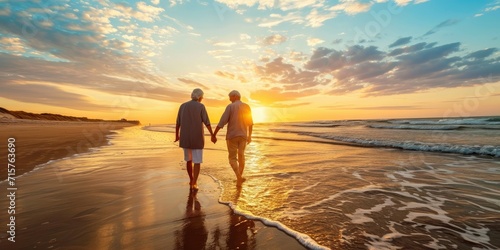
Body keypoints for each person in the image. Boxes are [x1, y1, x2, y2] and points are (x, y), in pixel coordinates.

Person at [175, 88, 216, 190]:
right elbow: (207, 122)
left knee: (189, 160)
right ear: (200, 97)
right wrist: (212, 135)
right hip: (197, 138)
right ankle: (195, 182)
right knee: (197, 161)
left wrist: (177, 135)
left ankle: (191, 179)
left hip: (185, 138)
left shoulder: (182, 106)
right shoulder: (201, 106)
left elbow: (178, 123)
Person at [213, 90, 253, 182]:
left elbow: (222, 122)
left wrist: (214, 134)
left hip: (232, 136)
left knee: (232, 158)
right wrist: (249, 136)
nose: (229, 99)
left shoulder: (230, 106)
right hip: (243, 136)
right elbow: (250, 123)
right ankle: (240, 177)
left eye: (230, 97)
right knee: (241, 155)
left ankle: (238, 176)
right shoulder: (246, 106)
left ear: (235, 96)